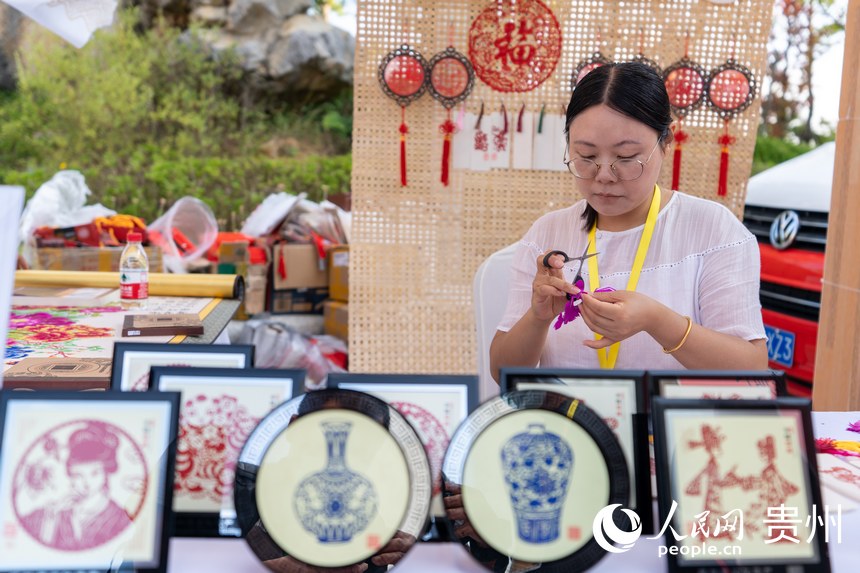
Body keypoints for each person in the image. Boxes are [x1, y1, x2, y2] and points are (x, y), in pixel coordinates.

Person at [490, 62, 767, 379]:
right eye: (587, 157)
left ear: (665, 144)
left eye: (625, 158)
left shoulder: (712, 229)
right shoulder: (548, 234)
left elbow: (752, 368)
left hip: (671, 427)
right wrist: (538, 317)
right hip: (570, 424)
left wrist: (658, 321)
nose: (604, 176)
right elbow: (502, 372)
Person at [21, 422, 132, 550]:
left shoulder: (120, 518)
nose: (86, 482)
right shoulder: (58, 511)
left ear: (106, 473)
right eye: (78, 475)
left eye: (95, 473)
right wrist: (51, 517)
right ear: (71, 476)